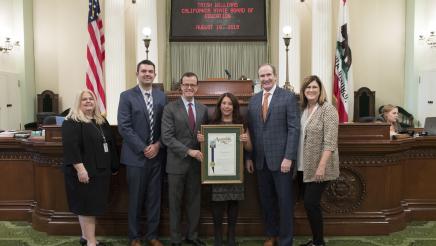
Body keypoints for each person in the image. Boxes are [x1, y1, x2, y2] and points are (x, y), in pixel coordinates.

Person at [247, 64, 300, 246]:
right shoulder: (253, 100)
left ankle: (285, 240)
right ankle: (271, 235)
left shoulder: (288, 97)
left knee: (284, 203)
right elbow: (251, 132)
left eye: (269, 75)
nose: (266, 79)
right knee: (266, 202)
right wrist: (249, 157)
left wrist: (289, 157)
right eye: (262, 76)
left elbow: (294, 129)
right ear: (258, 79)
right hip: (260, 162)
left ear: (275, 76)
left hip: (282, 161)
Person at [117, 60, 167, 246]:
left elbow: (166, 125)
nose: (147, 74)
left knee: (155, 199)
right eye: (143, 71)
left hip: (157, 156)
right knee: (135, 199)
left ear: (155, 74)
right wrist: (143, 147)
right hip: (135, 157)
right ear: (137, 73)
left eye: (150, 71)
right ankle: (134, 237)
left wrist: (158, 145)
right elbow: (124, 126)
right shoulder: (126, 96)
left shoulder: (162, 97)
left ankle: (152, 236)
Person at [61, 89, 119, 246]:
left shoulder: (100, 121)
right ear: (78, 103)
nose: (88, 101)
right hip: (84, 172)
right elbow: (71, 147)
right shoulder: (72, 121)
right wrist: (80, 169)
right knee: (87, 207)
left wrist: (113, 166)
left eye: (91, 99)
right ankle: (91, 242)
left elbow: (111, 144)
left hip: (100, 171)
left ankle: (85, 237)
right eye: (84, 99)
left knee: (87, 205)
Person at [196, 93, 253, 246]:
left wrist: (245, 141)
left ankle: (231, 238)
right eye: (224, 103)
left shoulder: (241, 123)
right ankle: (218, 238)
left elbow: (249, 147)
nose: (226, 106)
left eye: (230, 104)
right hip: (217, 172)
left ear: (234, 107)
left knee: (233, 203)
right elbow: (206, 149)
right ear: (219, 105)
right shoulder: (211, 123)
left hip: (235, 170)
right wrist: (201, 140)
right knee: (217, 204)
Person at [161, 72, 209, 246]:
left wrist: (204, 139)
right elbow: (167, 137)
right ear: (180, 86)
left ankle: (193, 236)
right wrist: (189, 151)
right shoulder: (169, 108)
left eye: (193, 85)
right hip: (176, 164)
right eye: (186, 84)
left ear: (197, 87)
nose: (189, 88)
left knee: (194, 203)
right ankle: (175, 239)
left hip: (196, 165)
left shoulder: (203, 109)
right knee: (175, 204)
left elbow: (204, 135)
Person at [297, 75, 340, 246]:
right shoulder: (303, 109)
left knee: (311, 203)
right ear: (303, 91)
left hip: (319, 167)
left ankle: (319, 242)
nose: (311, 90)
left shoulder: (327, 109)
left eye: (314, 87)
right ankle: (316, 240)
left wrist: (321, 166)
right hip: (304, 166)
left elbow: (330, 141)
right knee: (309, 205)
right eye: (308, 87)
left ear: (320, 90)